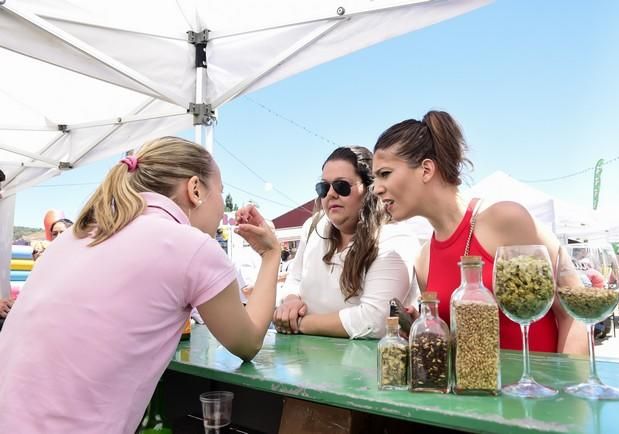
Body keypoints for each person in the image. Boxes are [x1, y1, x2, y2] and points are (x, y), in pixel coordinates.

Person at [0, 137, 280, 433]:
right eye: (221, 191)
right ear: (195, 189)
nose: (223, 203)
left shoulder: (74, 237)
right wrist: (271, 253)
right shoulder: (191, 246)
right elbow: (247, 343)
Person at [372, 110, 587, 354]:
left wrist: (570, 389)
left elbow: (573, 311)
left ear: (426, 170)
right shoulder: (424, 260)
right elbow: (464, 346)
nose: (376, 189)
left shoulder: (505, 219)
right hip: (471, 391)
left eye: (385, 174)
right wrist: (421, 329)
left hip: (540, 389)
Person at [273, 146, 420, 339]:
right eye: (323, 188)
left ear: (369, 189)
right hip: (307, 362)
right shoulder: (313, 226)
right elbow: (295, 279)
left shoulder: (395, 239)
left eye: (342, 186)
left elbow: (376, 319)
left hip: (367, 366)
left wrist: (299, 323)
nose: (331, 194)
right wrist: (290, 300)